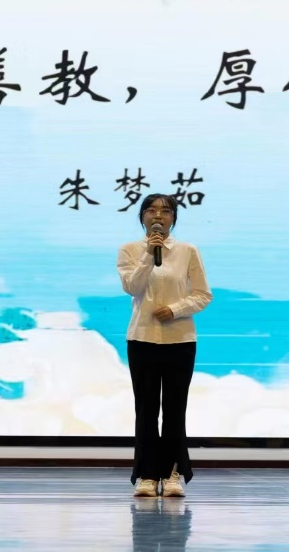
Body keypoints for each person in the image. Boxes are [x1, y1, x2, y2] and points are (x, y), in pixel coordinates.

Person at [117, 193, 212, 498]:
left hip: (179, 340)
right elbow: (132, 286)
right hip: (142, 339)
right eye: (151, 210)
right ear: (142, 217)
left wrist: (175, 309)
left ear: (173, 218)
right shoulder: (130, 250)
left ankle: (172, 474)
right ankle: (147, 475)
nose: (158, 216)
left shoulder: (188, 251)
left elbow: (203, 294)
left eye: (166, 211)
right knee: (146, 410)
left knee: (174, 409)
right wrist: (149, 254)